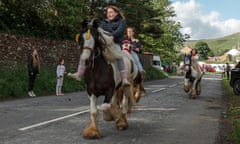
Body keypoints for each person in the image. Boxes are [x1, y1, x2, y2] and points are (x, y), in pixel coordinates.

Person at [98, 5, 130, 86]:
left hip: (115, 44)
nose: (109, 14)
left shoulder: (121, 21)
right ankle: (81, 73)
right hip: (104, 44)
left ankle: (124, 79)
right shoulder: (104, 22)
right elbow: (99, 31)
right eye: (108, 12)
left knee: (119, 56)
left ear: (116, 13)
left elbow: (119, 32)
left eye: (111, 12)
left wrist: (110, 35)